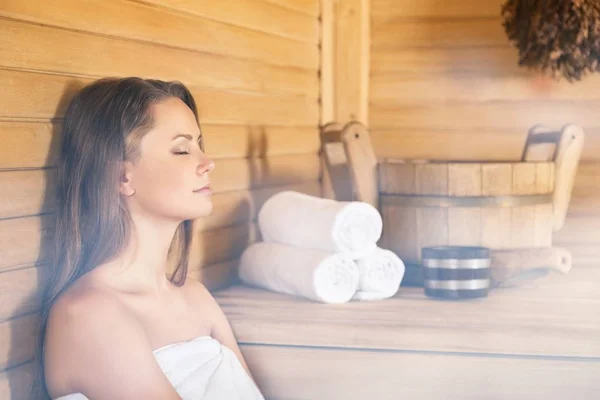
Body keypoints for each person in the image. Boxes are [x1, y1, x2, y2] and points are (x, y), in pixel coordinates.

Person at [33, 77, 264, 399]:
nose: (207, 162)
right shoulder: (89, 316)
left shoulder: (195, 297)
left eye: (200, 144)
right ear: (122, 176)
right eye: (182, 149)